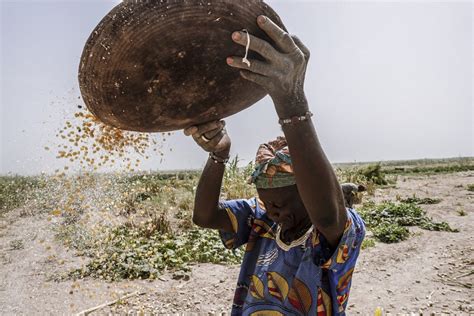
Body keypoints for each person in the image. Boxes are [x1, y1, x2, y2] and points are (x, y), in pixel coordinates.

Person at [184, 15, 366, 315]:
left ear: (305, 191)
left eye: (281, 203)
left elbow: (327, 214)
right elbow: (205, 216)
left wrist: (290, 99)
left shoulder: (337, 232)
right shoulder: (262, 221)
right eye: (268, 203)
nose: (273, 211)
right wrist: (218, 155)